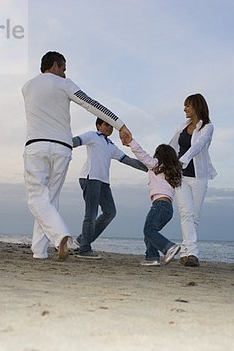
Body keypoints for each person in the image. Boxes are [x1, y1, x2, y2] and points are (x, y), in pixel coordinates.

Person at [22, 51, 132, 260]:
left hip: (36, 146)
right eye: (63, 68)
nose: (64, 73)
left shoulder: (27, 87)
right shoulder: (65, 84)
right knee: (49, 200)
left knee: (36, 198)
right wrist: (121, 125)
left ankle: (60, 235)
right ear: (55, 65)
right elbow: (92, 104)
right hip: (63, 148)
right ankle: (39, 251)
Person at [72, 118, 147, 259]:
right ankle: (85, 249)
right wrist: (60, 145)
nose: (110, 128)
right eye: (106, 124)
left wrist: (150, 167)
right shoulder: (92, 135)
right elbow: (76, 141)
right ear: (98, 125)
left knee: (110, 212)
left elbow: (127, 160)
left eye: (112, 126)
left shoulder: (110, 144)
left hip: (103, 181)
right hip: (90, 177)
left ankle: (83, 239)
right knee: (91, 214)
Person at [168, 93, 217, 267]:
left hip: (199, 177)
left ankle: (186, 252)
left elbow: (198, 146)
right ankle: (193, 254)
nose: (184, 109)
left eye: (187, 105)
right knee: (185, 213)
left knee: (194, 216)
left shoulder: (207, 127)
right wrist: (162, 160)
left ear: (196, 106)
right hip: (180, 176)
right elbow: (172, 146)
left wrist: (183, 160)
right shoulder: (183, 126)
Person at [121, 131, 182, 266]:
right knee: (150, 232)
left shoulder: (156, 165)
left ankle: (169, 247)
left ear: (159, 156)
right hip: (168, 209)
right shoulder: (172, 171)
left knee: (148, 230)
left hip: (159, 205)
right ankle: (152, 258)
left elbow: (142, 155)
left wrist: (131, 142)